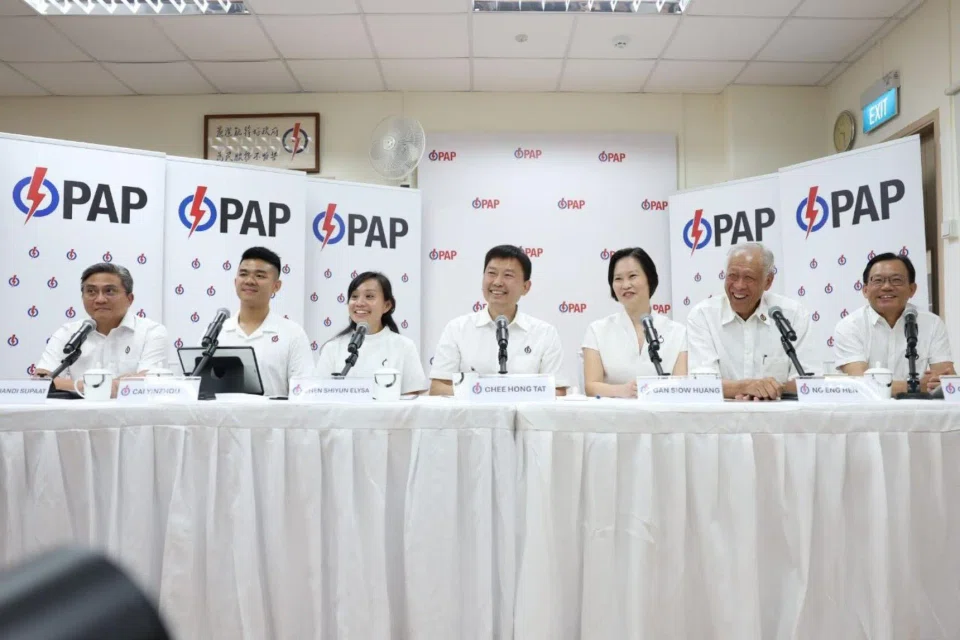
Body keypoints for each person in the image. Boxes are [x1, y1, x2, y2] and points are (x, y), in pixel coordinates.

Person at [429, 244, 567, 395]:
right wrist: (486, 393)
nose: (497, 282)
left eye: (508, 275)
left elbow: (558, 391)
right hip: (473, 418)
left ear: (526, 287)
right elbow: (438, 388)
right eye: (492, 273)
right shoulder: (457, 329)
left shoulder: (544, 333)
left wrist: (504, 394)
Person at [686, 242, 818, 400]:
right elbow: (702, 383)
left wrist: (772, 389)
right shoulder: (703, 315)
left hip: (780, 419)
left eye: (748, 278)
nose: (739, 286)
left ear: (768, 281)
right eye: (732, 276)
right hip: (722, 420)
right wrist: (746, 387)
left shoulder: (793, 315)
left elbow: (810, 381)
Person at [36, 263, 167, 396]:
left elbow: (150, 382)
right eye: (91, 292)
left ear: (129, 299)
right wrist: (104, 386)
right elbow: (41, 379)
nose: (100, 299)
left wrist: (76, 386)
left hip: (133, 415)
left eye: (109, 291)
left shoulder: (151, 332)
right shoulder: (68, 333)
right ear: (82, 297)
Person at [833, 252, 954, 393]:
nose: (886, 287)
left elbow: (944, 380)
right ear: (865, 290)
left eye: (896, 280)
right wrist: (915, 387)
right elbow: (860, 384)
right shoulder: (849, 326)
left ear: (912, 289)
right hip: (866, 412)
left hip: (919, 410)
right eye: (878, 280)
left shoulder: (932, 323)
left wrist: (940, 382)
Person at [582, 247, 687, 398]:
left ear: (649, 279)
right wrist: (623, 391)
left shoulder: (678, 332)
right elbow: (591, 387)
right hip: (612, 417)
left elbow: (681, 387)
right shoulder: (597, 330)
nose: (625, 285)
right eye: (618, 279)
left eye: (632, 276)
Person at [211, 246, 312, 397]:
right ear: (235, 281)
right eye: (243, 274)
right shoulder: (216, 332)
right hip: (222, 419)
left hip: (274, 420)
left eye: (260, 276)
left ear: (276, 286)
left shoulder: (292, 333)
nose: (249, 281)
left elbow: (305, 392)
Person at [317, 271, 427, 394]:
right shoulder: (332, 347)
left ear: (387, 305)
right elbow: (319, 396)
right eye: (354, 296)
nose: (359, 303)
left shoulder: (404, 346)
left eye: (369, 296)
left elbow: (413, 398)